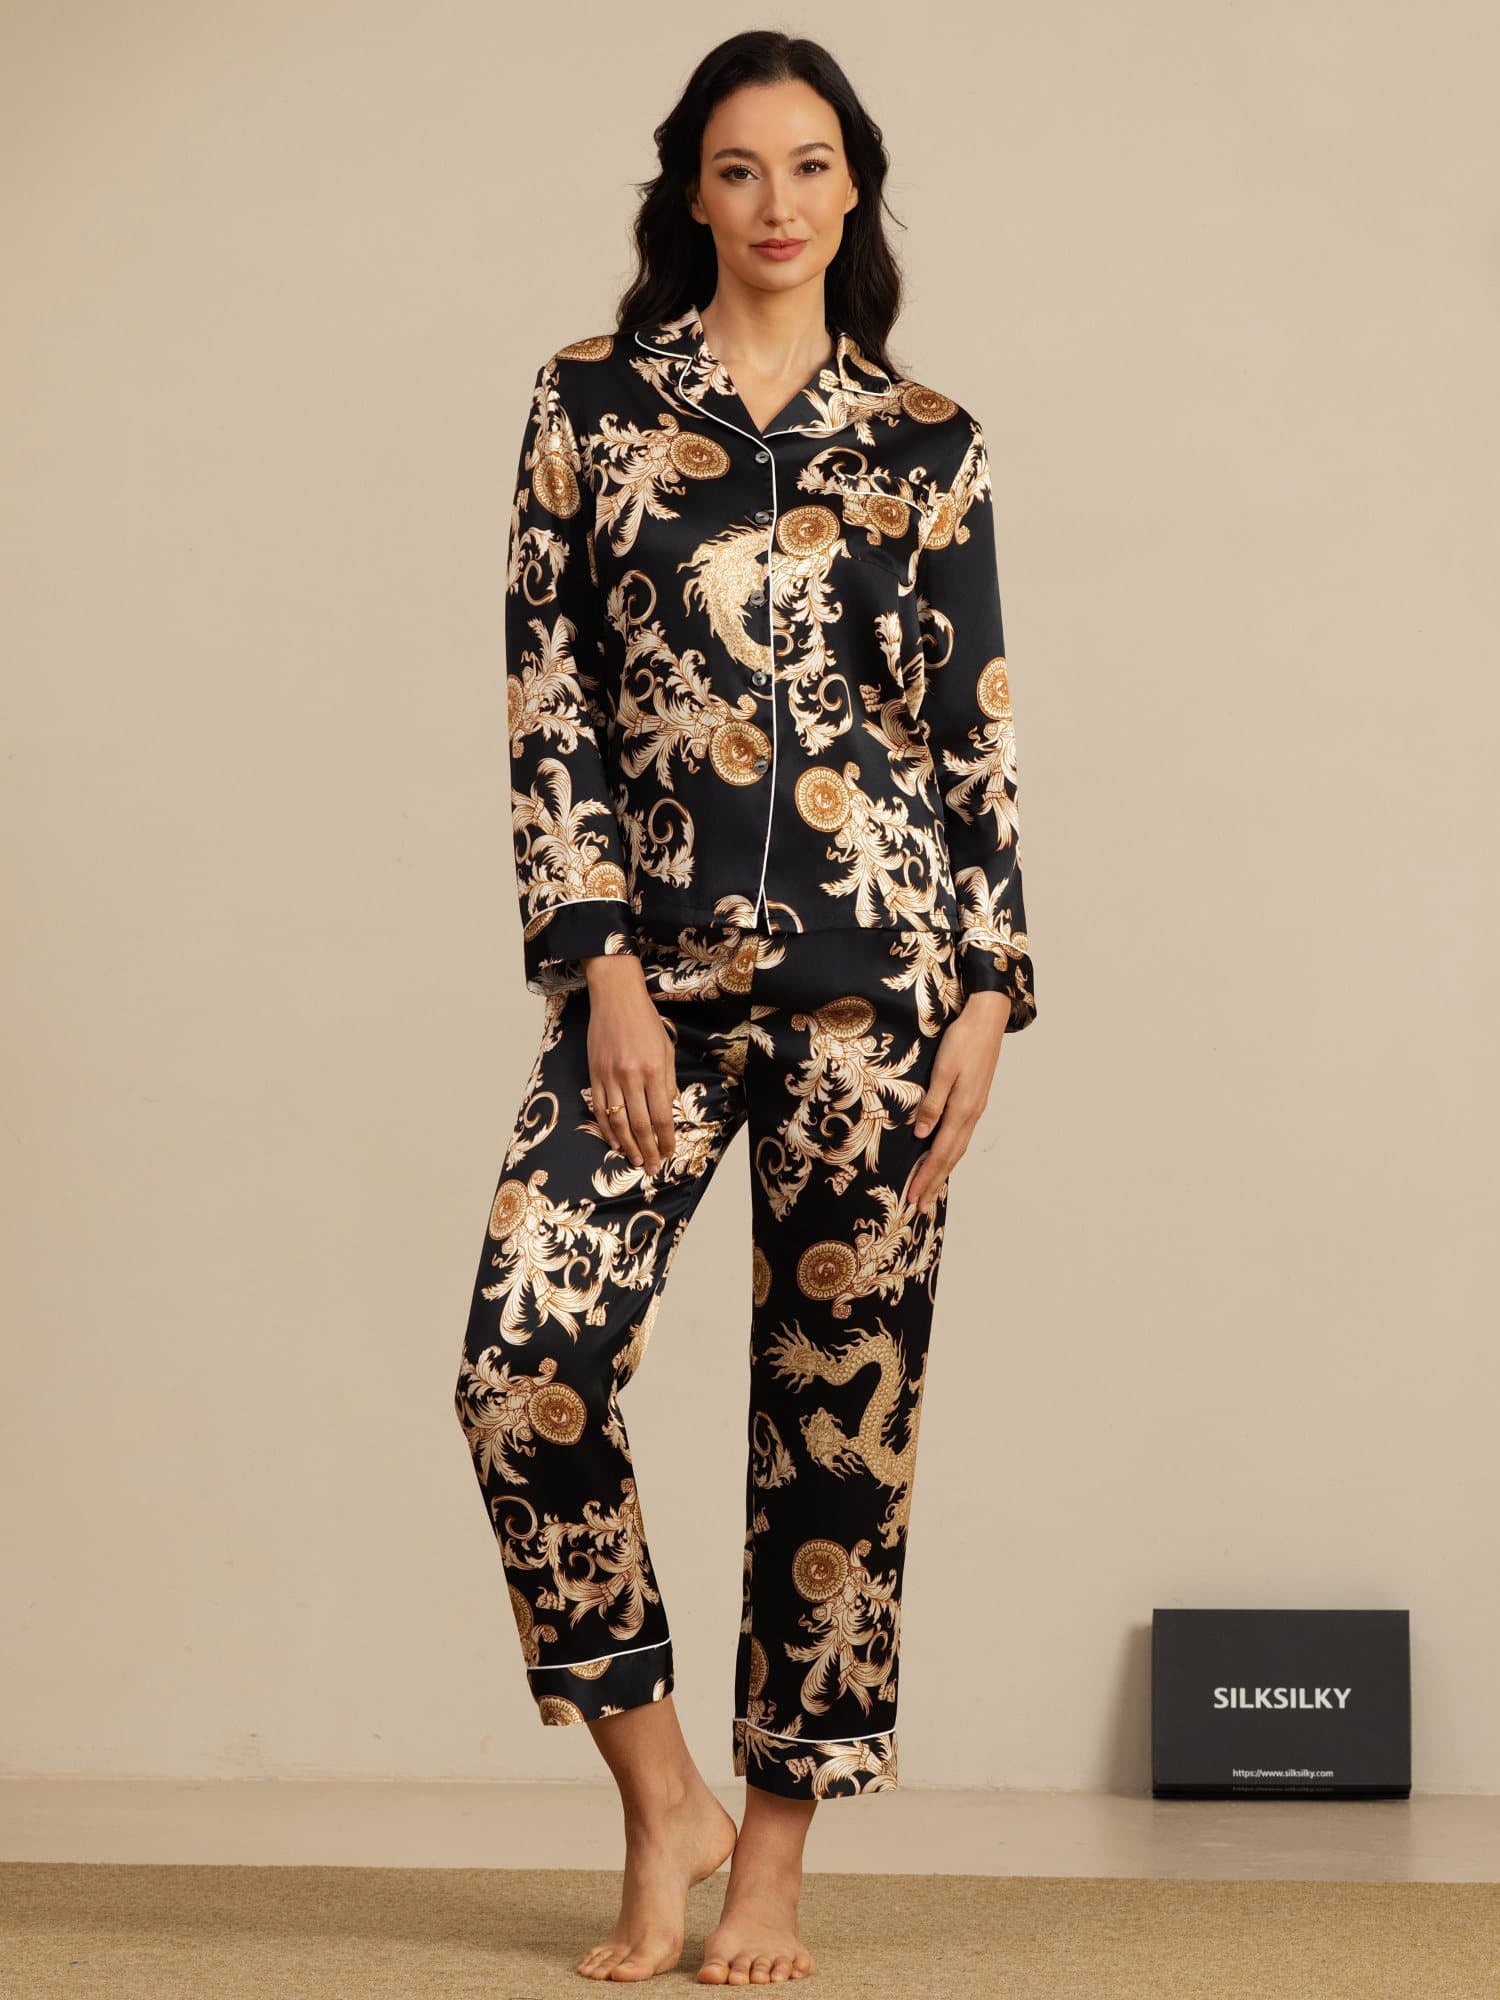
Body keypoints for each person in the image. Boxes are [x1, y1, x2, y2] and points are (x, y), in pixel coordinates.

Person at [455, 28, 1037, 1986]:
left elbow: (972, 734)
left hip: (886, 999)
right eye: (737, 167)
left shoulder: (930, 441)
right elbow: (550, 703)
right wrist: (599, 965)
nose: (776, 201)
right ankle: (664, 1806)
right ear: (689, 193)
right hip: (659, 994)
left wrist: (991, 990)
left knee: (836, 1441)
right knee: (523, 1369)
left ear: (852, 186)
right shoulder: (592, 405)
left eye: (808, 165)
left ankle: (769, 1872)